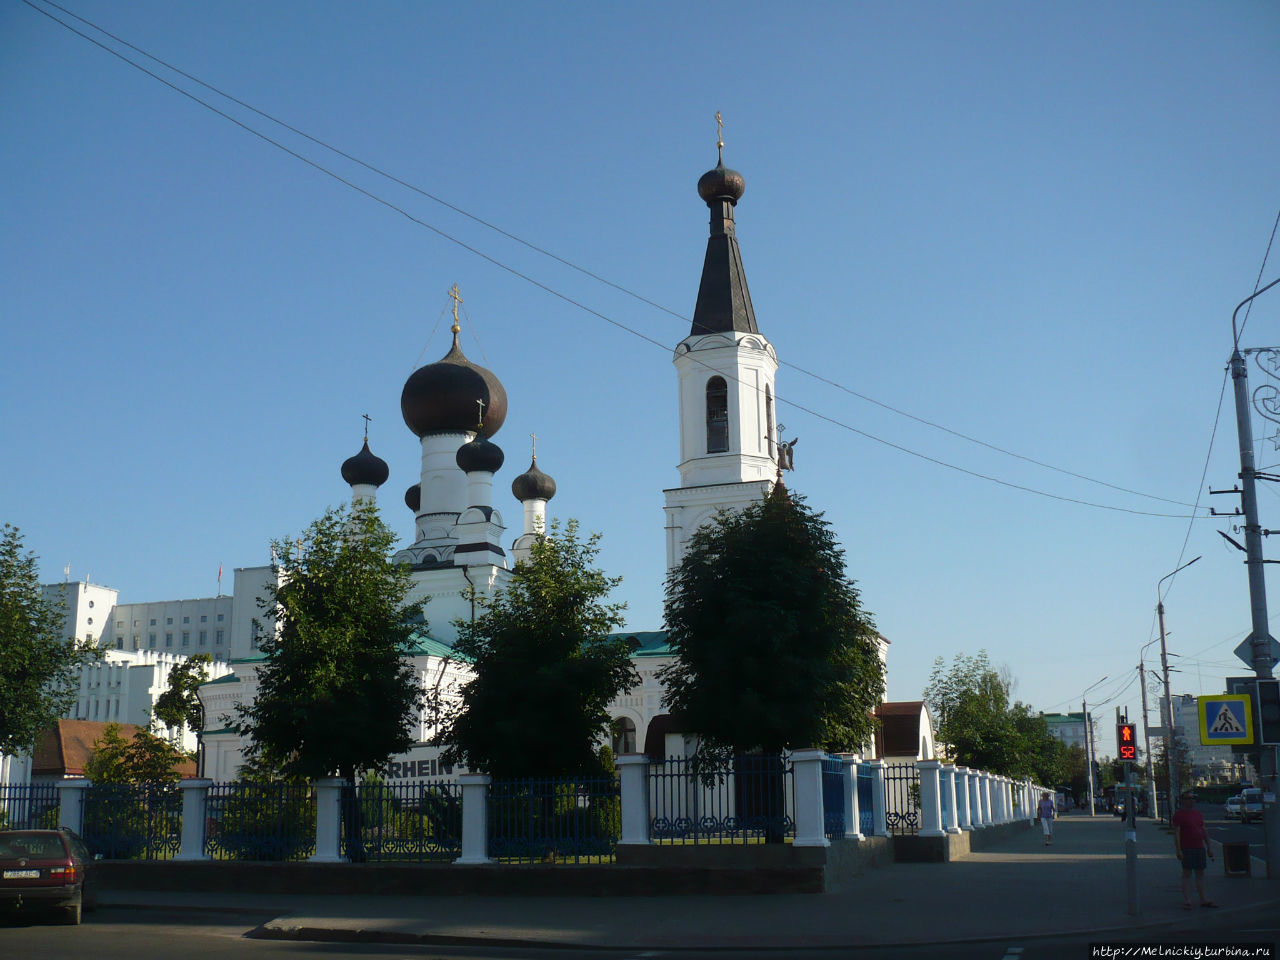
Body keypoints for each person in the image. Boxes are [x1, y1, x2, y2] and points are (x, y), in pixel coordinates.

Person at [1170, 793, 1216, 909]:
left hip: (1199, 847)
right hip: (1187, 848)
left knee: (1200, 873)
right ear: (1183, 801)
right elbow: (1177, 833)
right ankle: (1188, 900)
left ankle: (1203, 899)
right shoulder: (1179, 815)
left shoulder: (1197, 814)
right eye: (1189, 799)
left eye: (1193, 798)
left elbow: (1203, 830)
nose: (1192, 801)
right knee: (1187, 873)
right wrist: (1179, 850)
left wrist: (1209, 847)